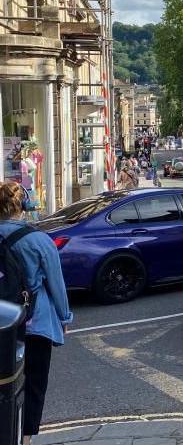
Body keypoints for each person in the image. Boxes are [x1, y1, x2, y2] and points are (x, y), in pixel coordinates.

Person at [0, 182, 72, 445]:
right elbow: (56, 284)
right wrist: (65, 318)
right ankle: (25, 439)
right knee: (34, 386)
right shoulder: (39, 240)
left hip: (1, 327)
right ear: (24, 207)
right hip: (34, 323)